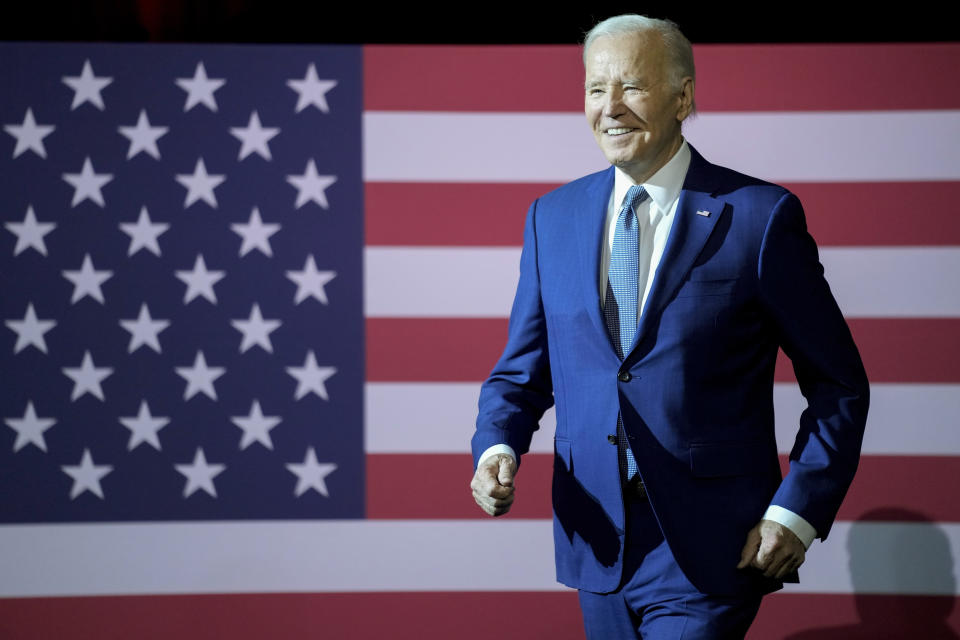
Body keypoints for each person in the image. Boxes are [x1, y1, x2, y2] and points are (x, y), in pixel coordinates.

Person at [469, 14, 869, 639]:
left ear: (683, 98)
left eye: (631, 87)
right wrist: (497, 448)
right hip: (598, 543)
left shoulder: (760, 218)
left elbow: (839, 384)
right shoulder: (553, 217)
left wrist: (798, 511)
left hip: (710, 546)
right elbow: (521, 373)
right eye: (596, 89)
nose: (611, 108)